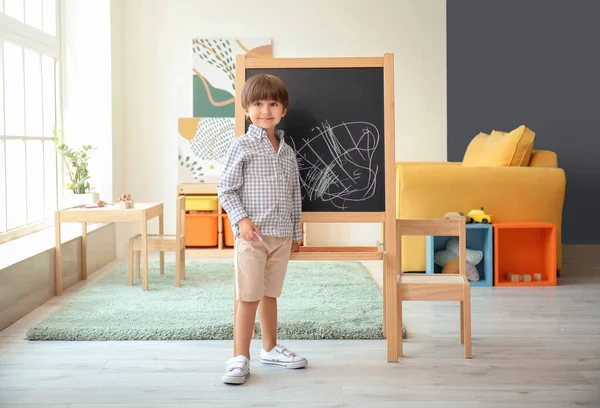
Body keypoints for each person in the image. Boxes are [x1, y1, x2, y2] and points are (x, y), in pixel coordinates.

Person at [217, 74, 307, 385]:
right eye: (257, 104)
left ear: (283, 110)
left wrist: (296, 233)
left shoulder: (287, 151)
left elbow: (295, 194)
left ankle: (270, 348)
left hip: (281, 236)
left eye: (272, 104)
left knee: (270, 294)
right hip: (252, 237)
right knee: (248, 296)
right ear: (246, 109)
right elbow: (226, 189)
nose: (265, 110)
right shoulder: (241, 146)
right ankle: (240, 357)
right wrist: (241, 220)